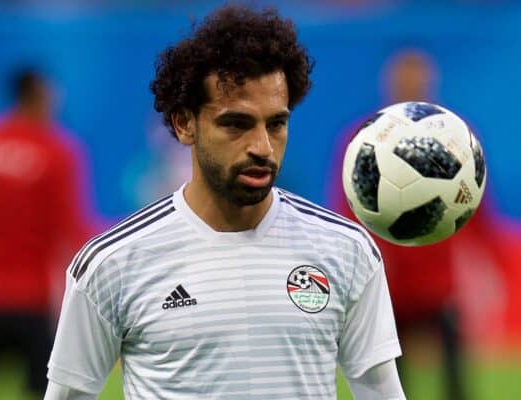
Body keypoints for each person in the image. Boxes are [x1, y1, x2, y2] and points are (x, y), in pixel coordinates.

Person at [44, 5, 406, 400]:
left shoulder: (347, 250)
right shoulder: (111, 264)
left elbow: (381, 393)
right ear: (184, 124)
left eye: (276, 124)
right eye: (236, 124)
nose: (262, 147)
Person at [329, 49, 474, 400]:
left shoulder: (455, 138)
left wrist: (497, 265)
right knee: (393, 381)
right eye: (403, 76)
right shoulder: (363, 140)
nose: (411, 83)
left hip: (438, 286)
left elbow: (476, 205)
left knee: (457, 380)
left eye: (418, 75)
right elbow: (346, 209)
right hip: (388, 285)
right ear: (389, 81)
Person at [0, 69, 95, 399]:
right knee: (45, 391)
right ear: (40, 95)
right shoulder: (55, 150)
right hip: (33, 297)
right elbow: (70, 228)